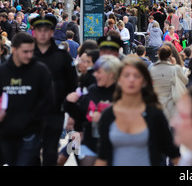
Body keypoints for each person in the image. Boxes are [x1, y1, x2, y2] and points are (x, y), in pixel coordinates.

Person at [95, 56, 180, 166]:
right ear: (119, 80)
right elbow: (102, 157)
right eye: (126, 75)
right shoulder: (108, 115)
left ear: (144, 81)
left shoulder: (154, 114)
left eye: (136, 76)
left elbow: (174, 154)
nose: (131, 80)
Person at [30, 14, 78, 166]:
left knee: (50, 150)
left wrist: (72, 115)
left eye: (47, 30)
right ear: (35, 32)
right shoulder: (27, 56)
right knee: (31, 151)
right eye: (39, 30)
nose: (43, 33)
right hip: (31, 113)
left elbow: (72, 86)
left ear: (52, 32)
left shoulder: (62, 56)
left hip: (54, 112)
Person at [0, 32, 54, 166]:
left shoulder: (40, 71)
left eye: (31, 51)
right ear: (14, 49)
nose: (29, 55)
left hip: (31, 131)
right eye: (25, 52)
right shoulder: (3, 72)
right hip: (7, 132)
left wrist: (33, 119)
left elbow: (49, 99)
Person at [63, 55, 121, 166]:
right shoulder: (92, 88)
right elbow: (79, 113)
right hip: (88, 142)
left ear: (111, 74)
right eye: (81, 60)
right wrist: (68, 102)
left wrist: (105, 116)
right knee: (62, 158)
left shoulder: (122, 92)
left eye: (99, 72)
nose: (95, 75)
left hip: (115, 147)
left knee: (64, 156)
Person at [149, 45, 188, 121]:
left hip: (157, 102)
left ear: (159, 55)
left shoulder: (152, 69)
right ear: (170, 55)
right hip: (172, 102)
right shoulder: (175, 68)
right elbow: (185, 81)